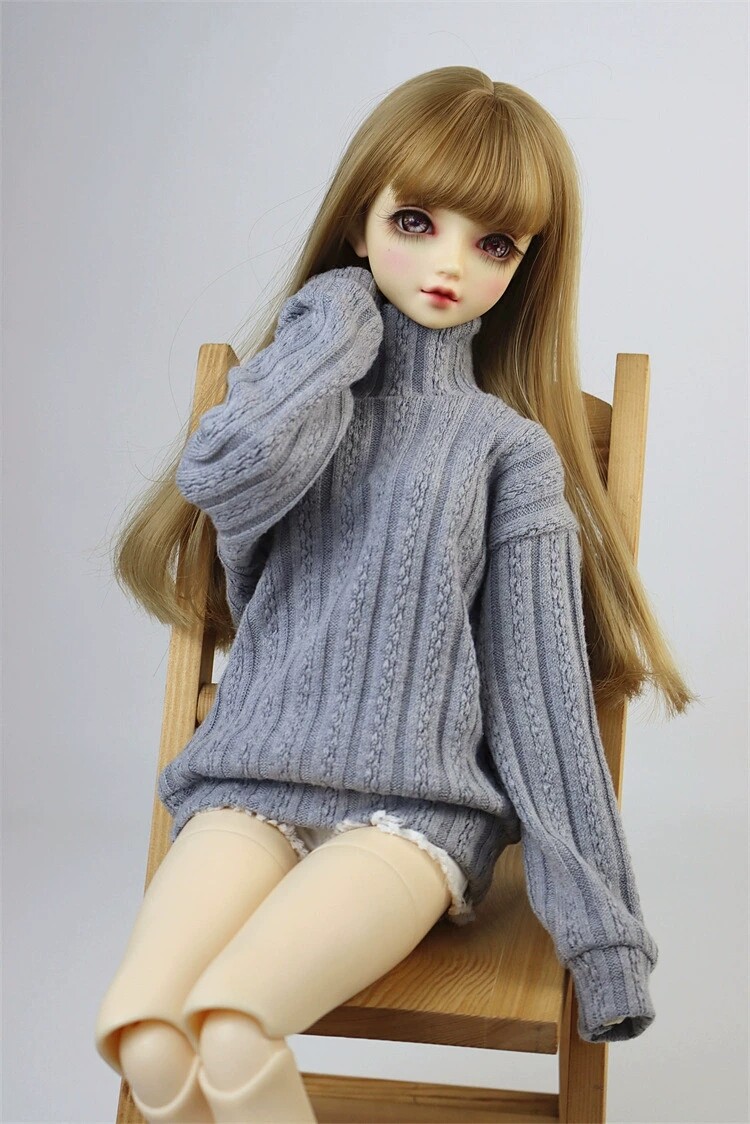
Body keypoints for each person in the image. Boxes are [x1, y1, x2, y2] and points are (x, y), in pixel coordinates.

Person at [94, 66, 697, 1122]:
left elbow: (544, 700)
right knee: (144, 1032)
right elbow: (223, 479)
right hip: (245, 787)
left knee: (232, 1027)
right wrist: (332, 324)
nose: (450, 264)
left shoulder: (508, 452)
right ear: (358, 219)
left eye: (495, 243)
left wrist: (604, 938)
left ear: (527, 264)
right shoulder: (301, 405)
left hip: (408, 818)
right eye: (415, 221)